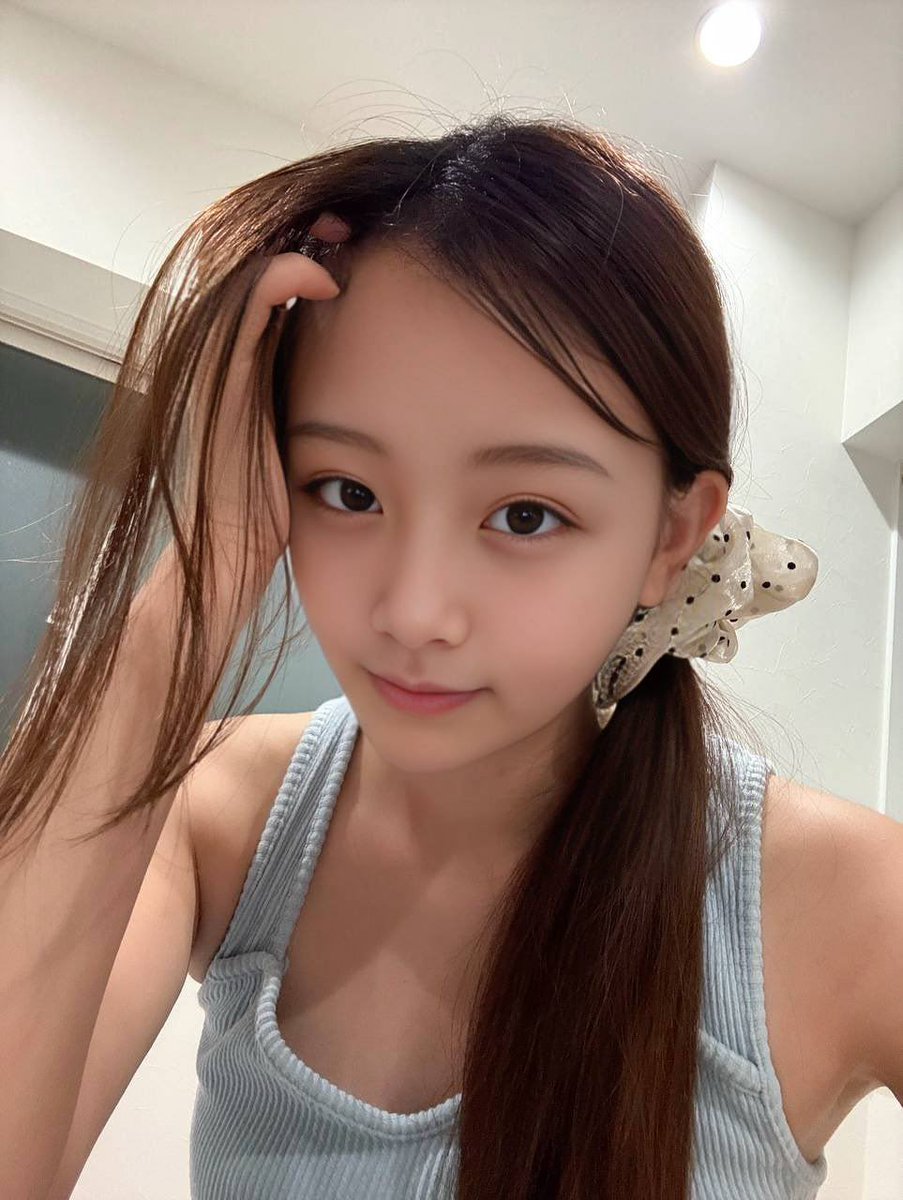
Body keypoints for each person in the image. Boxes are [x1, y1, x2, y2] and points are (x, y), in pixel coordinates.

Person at [1, 116, 900, 1200]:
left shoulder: (848, 900)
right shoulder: (215, 814)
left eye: (525, 514)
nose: (415, 612)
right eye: (347, 491)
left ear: (673, 536)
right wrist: (192, 585)